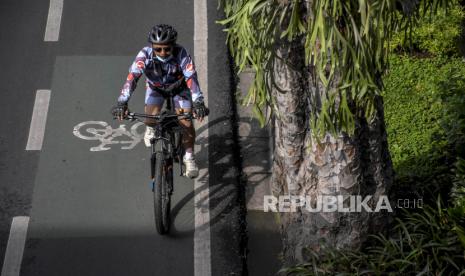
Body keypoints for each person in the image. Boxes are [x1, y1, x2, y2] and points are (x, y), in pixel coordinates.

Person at [113, 24, 208, 178]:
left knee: (186, 122)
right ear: (152, 47)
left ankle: (189, 157)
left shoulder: (182, 53)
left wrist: (198, 102)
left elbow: (191, 78)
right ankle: (150, 129)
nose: (163, 53)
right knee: (150, 118)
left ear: (173, 46)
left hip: (179, 88)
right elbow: (132, 78)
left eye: (167, 49)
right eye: (158, 49)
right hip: (156, 88)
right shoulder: (144, 55)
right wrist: (122, 102)